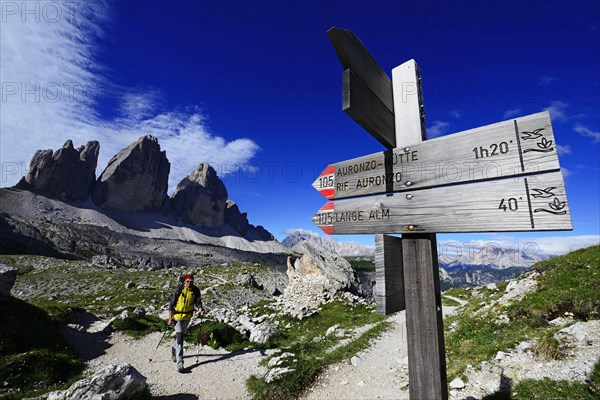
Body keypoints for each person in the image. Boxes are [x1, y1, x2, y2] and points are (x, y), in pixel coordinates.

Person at [167, 273, 205, 372]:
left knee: (181, 336)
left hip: (187, 317)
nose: (189, 283)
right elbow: (171, 305)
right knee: (180, 338)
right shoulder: (179, 290)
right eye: (187, 281)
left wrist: (200, 309)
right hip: (177, 317)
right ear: (184, 282)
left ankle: (174, 350)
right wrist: (170, 318)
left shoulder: (195, 291)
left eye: (191, 281)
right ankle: (180, 363)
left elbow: (198, 302)